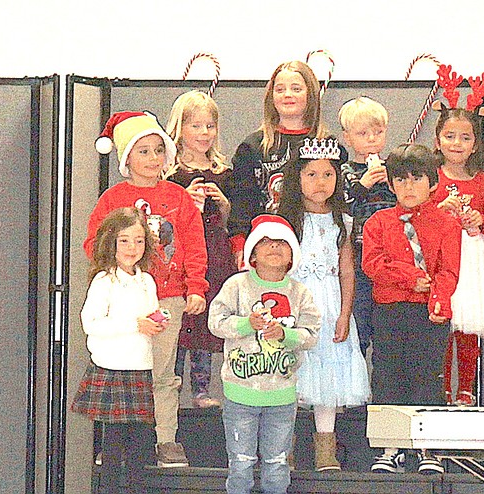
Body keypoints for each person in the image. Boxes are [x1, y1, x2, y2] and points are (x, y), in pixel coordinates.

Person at [84, 111, 209, 467]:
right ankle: (118, 444)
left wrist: (195, 287)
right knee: (123, 372)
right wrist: (116, 272)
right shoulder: (113, 199)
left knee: (162, 372)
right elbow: (94, 242)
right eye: (143, 151)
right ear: (126, 159)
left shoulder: (179, 198)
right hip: (125, 299)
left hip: (167, 296)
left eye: (158, 150)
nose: (153, 159)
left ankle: (165, 439)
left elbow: (195, 245)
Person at [362, 143, 461, 474]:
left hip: (428, 313)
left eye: (416, 178)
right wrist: (409, 277)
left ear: (432, 182)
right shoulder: (378, 221)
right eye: (400, 180)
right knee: (389, 374)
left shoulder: (446, 223)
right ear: (390, 185)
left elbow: (449, 271)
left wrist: (438, 300)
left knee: (427, 376)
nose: (408, 187)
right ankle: (391, 446)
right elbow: (372, 263)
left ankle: (428, 446)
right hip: (390, 310)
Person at [208, 214, 320, 494]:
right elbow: (216, 322)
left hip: (282, 395)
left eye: (282, 242)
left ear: (293, 254)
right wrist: (246, 324)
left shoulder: (300, 292)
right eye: (266, 242)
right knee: (241, 463)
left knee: (277, 461)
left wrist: (286, 335)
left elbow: (311, 335)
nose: (274, 247)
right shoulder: (236, 285)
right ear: (252, 253)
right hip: (239, 393)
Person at [277, 137, 370, 472]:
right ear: (297, 178)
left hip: (330, 304)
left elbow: (347, 270)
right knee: (289, 375)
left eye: (328, 175)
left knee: (328, 377)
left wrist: (345, 313)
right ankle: (281, 449)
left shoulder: (342, 221)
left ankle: (325, 450)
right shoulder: (287, 219)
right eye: (311, 174)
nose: (320, 182)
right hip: (294, 302)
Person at [72, 207, 162, 494]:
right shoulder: (104, 281)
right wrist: (135, 324)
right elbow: (92, 323)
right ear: (111, 242)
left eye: (138, 240)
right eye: (124, 240)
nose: (132, 248)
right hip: (112, 368)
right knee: (111, 447)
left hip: (139, 366)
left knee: (139, 446)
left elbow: (148, 316)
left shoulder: (146, 280)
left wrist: (157, 322)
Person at [227, 60, 346, 265]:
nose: (287, 94)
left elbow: (338, 202)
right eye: (280, 89)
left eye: (296, 88)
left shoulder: (329, 146)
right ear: (271, 96)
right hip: (267, 247)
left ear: (310, 94)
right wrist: (240, 245)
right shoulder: (253, 147)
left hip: (318, 246)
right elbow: (241, 202)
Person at [432, 106, 484, 407]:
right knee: (443, 325)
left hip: (473, 258)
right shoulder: (431, 180)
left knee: (469, 325)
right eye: (449, 136)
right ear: (438, 140)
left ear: (475, 144)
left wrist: (479, 219)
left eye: (465, 137)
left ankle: (466, 388)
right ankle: (442, 389)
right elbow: (421, 217)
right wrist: (441, 209)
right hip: (442, 257)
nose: (456, 143)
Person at [165, 90, 237, 409]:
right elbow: (161, 223)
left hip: (215, 253)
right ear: (180, 128)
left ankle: (201, 389)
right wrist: (186, 203)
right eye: (196, 126)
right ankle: (171, 385)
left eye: (210, 126)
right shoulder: (171, 174)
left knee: (207, 320)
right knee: (181, 323)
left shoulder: (224, 172)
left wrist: (223, 205)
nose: (204, 133)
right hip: (181, 256)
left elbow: (232, 221)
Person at [338, 96, 395, 357]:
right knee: (359, 322)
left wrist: (393, 183)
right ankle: (358, 387)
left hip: (390, 257)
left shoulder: (394, 169)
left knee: (387, 330)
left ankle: (384, 389)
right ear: (348, 138)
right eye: (363, 133)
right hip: (359, 256)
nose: (372, 139)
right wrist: (363, 185)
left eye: (378, 132)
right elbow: (342, 207)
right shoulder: (345, 172)